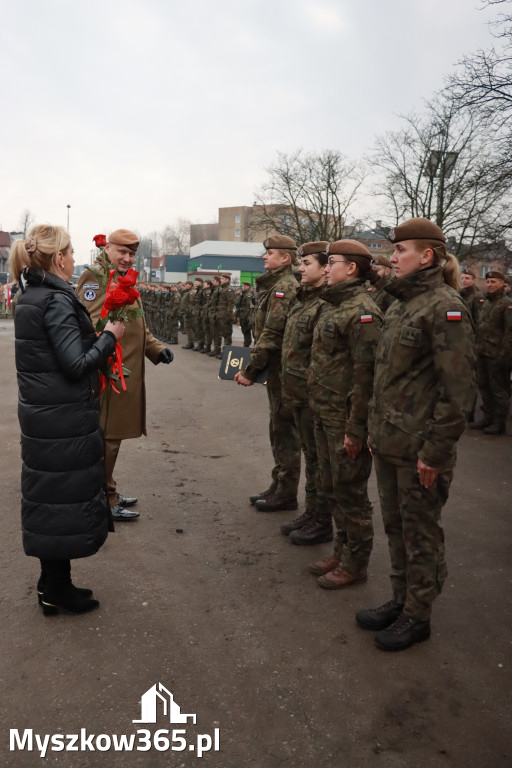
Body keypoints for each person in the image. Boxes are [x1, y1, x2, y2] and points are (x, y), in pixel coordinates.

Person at [356, 217, 476, 651]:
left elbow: (458, 389)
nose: (393, 257)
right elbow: (388, 378)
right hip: (390, 443)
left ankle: (418, 615)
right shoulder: (404, 303)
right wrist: (373, 429)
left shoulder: (446, 308)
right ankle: (401, 599)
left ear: (426, 256)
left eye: (400, 251)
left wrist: (436, 452)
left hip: (420, 449)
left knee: (420, 533)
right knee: (395, 527)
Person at [10, 224, 126, 614]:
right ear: (59, 259)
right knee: (60, 502)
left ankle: (54, 586)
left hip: (46, 416)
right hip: (61, 419)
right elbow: (75, 364)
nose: (75, 258)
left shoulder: (32, 296)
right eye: (71, 252)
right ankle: (53, 587)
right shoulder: (55, 300)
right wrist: (109, 335)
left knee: (52, 503)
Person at [77, 229, 173, 521]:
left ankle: (108, 489)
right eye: (122, 252)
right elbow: (91, 324)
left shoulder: (123, 279)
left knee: (111, 437)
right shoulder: (95, 277)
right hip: (109, 374)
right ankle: (105, 498)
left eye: (131, 254)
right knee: (108, 437)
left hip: (123, 373)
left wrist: (156, 350)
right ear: (108, 249)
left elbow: (137, 326)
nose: (127, 258)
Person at [307, 240, 383, 587]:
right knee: (332, 486)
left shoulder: (363, 311)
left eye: (331, 262)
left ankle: (356, 564)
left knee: (351, 492)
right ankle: (342, 551)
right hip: (325, 412)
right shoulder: (332, 304)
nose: (325, 267)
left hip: (345, 419)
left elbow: (365, 376)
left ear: (351, 267)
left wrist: (356, 428)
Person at [235, 235, 301, 512]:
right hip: (276, 370)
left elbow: (271, 335)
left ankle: (286, 493)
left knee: (284, 431)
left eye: (270, 253)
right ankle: (278, 484)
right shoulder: (275, 285)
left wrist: (250, 371)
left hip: (282, 370)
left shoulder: (284, 287)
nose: (265, 257)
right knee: (278, 428)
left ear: (285, 258)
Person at [280, 242, 333, 545]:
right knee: (311, 457)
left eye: (307, 263)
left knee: (319, 460)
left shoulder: (325, 303)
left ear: (326, 268)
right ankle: (312, 511)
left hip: (316, 394)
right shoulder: (304, 300)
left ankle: (321, 519)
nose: (300, 268)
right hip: (299, 391)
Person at [471, 270, 512, 435]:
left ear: (503, 284)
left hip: (497, 354)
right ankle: (487, 417)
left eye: (494, 282)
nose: (489, 285)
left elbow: (510, 332)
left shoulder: (506, 304)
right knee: (483, 385)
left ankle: (499, 422)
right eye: (488, 282)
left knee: (498, 389)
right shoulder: (486, 302)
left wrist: (505, 355)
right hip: (482, 352)